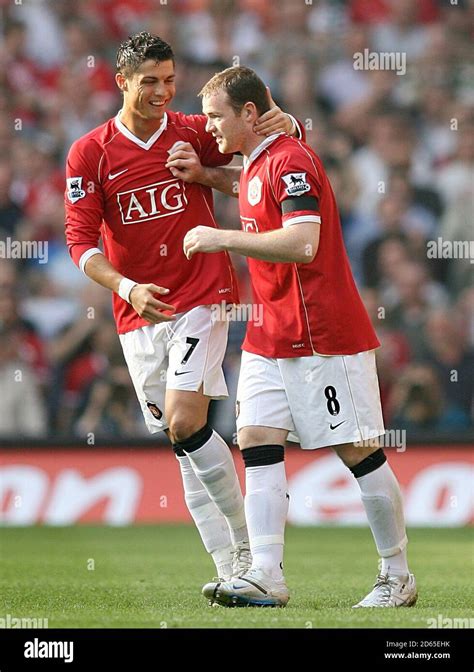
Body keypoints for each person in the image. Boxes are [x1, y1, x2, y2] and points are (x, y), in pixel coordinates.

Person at [64, 33, 302, 593]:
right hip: (138, 312)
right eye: (150, 81)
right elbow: (79, 242)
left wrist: (286, 124)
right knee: (181, 443)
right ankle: (227, 569)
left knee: (185, 421)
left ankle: (255, 553)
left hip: (200, 293)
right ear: (121, 81)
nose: (163, 92)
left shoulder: (196, 131)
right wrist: (125, 287)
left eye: (170, 80)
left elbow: (266, 171)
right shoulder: (90, 153)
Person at [182, 66, 417, 608]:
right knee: (258, 441)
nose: (210, 128)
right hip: (269, 332)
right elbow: (250, 188)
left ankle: (396, 574)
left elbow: (303, 242)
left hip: (322, 331)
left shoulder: (291, 160)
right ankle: (266, 573)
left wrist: (222, 237)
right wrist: (208, 177)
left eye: (217, 116)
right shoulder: (262, 161)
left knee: (357, 450)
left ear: (248, 114)